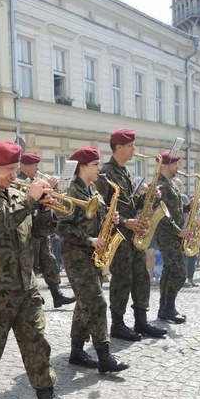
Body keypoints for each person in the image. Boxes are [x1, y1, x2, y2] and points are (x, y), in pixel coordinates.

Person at [0, 141, 82, 399]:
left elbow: (40, 231)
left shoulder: (16, 192)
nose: (14, 176)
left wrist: (43, 207)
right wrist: (30, 201)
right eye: (9, 170)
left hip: (25, 285)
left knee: (37, 342)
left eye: (16, 169)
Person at [57, 147, 129, 373]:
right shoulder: (70, 192)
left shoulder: (93, 191)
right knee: (97, 303)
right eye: (95, 164)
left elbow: (101, 218)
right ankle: (104, 355)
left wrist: (113, 218)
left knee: (84, 304)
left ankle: (77, 351)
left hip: (94, 256)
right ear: (82, 166)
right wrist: (89, 240)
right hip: (77, 256)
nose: (100, 168)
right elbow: (61, 227)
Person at [95, 129, 167, 341]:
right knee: (122, 279)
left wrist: (148, 198)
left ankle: (141, 321)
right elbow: (101, 209)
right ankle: (118, 324)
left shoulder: (126, 172)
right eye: (130, 146)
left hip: (133, 237)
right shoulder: (105, 174)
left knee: (142, 276)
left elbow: (130, 205)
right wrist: (127, 222)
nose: (134, 150)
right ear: (118, 147)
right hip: (119, 236)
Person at [18, 152, 75, 308]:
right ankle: (31, 295)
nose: (37, 168)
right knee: (32, 265)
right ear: (24, 166)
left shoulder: (36, 180)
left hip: (42, 228)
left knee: (49, 261)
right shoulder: (19, 181)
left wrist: (53, 189)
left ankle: (57, 295)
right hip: (30, 229)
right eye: (34, 165)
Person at [154, 152, 192, 324]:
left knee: (169, 271)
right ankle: (169, 308)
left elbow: (174, 209)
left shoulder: (171, 184)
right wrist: (179, 232)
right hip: (167, 234)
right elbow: (162, 215)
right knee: (179, 271)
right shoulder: (160, 185)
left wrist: (189, 207)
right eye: (174, 164)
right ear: (164, 166)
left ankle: (164, 308)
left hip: (174, 234)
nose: (178, 168)